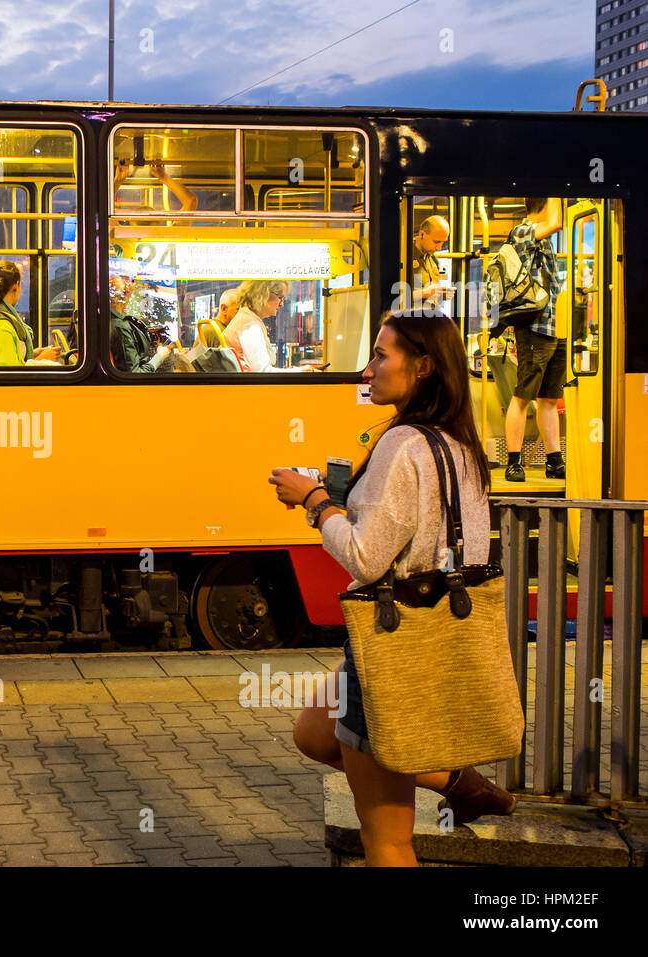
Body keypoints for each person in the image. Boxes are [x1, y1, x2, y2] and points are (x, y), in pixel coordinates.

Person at [269, 310, 516, 867]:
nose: (369, 367)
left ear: (423, 366)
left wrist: (315, 501)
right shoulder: (459, 445)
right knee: (314, 731)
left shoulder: (402, 446)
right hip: (430, 636)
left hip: (391, 640)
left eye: (382, 355)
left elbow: (364, 555)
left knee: (388, 842)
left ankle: (458, 783)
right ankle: (460, 783)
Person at [503, 197, 564, 482]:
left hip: (555, 326)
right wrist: (557, 189)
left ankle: (554, 460)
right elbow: (555, 222)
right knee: (523, 396)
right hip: (535, 327)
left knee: (549, 398)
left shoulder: (542, 239)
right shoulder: (522, 231)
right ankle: (513, 461)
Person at [0, 261, 61, 365]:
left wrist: (30, 353)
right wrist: (42, 360)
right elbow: (10, 376)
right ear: (15, 286)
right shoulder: (0, 328)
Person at [223, 279, 322, 373]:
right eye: (280, 297)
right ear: (263, 294)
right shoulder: (250, 326)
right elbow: (262, 372)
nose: (282, 304)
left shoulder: (246, 319)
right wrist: (300, 371)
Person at [108, 274, 170, 373]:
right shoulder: (120, 326)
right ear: (127, 294)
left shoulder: (113, 320)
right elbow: (133, 374)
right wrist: (159, 357)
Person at [411, 215, 450, 309]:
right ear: (422, 234)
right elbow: (392, 296)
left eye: (443, 243)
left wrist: (440, 295)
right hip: (409, 320)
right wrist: (424, 293)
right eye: (436, 242)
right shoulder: (404, 256)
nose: (439, 248)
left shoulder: (432, 259)